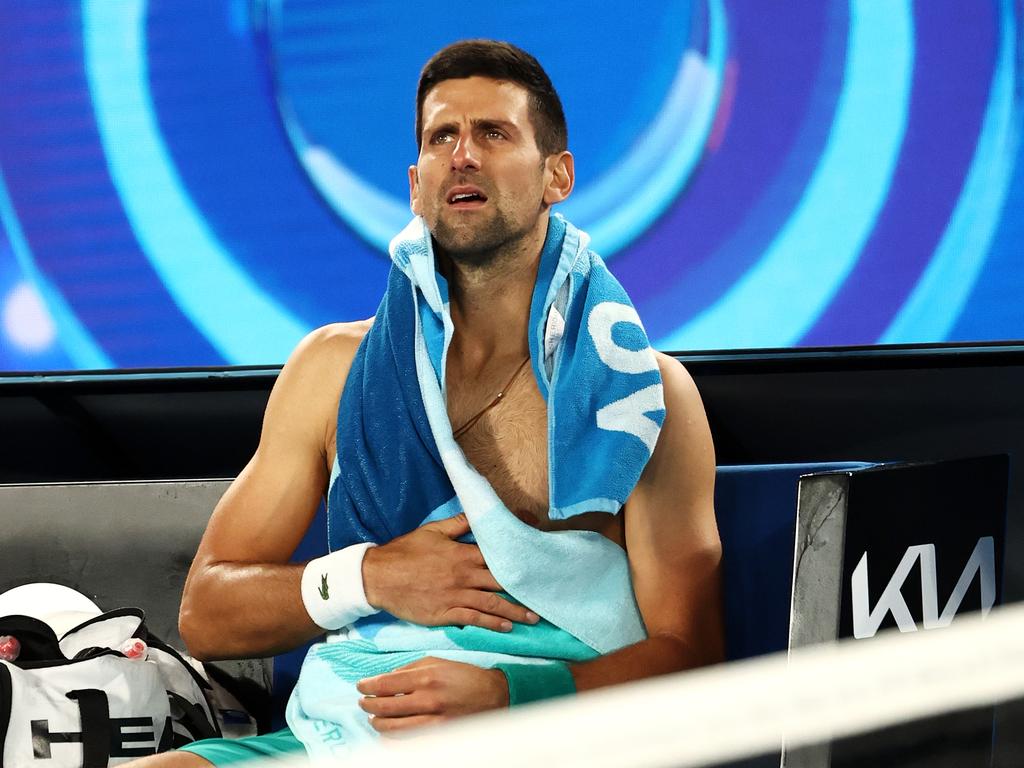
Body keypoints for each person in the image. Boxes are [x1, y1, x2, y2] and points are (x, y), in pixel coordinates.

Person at [135, 39, 722, 766]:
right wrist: (369, 575)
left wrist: (514, 697)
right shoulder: (330, 370)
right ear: (417, 185)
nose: (462, 155)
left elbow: (692, 658)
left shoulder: (643, 394)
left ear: (557, 176)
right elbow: (207, 614)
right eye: (442, 137)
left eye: (494, 134)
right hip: (335, 737)